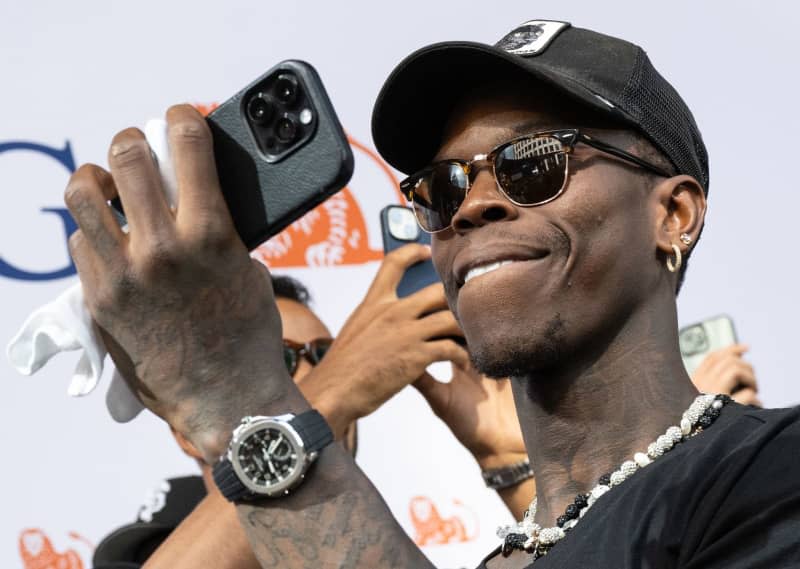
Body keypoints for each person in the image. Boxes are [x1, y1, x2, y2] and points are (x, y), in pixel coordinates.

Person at [63, 19, 800, 569]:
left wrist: (234, 394)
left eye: (533, 164)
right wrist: (512, 471)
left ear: (673, 214)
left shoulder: (774, 467)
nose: (473, 204)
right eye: (442, 188)